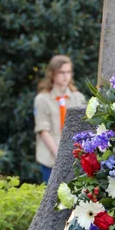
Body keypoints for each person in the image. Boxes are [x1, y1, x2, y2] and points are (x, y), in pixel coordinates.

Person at [34, 55, 87, 183]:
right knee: (50, 200)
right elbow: (43, 130)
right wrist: (60, 156)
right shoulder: (42, 99)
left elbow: (84, 127)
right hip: (50, 160)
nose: (65, 76)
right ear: (52, 73)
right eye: (61, 72)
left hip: (74, 159)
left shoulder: (78, 98)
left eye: (68, 72)